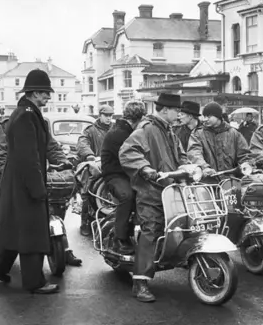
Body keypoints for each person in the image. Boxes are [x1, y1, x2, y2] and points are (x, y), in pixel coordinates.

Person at [0, 69, 59, 294]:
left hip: (16, 182)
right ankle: (35, 282)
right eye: (45, 93)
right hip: (26, 183)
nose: (48, 98)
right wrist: (38, 188)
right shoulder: (27, 115)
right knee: (32, 232)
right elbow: (29, 157)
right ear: (35, 93)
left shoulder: (23, 112)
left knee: (14, 229)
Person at [119, 93, 188, 302]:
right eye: (177, 111)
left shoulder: (169, 131)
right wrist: (145, 169)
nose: (179, 115)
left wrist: (189, 166)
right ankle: (140, 282)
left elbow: (181, 154)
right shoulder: (146, 129)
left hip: (171, 189)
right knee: (151, 230)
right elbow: (127, 151)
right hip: (151, 191)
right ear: (165, 110)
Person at [0, 117, 83, 267]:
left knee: (57, 204)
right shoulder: (7, 126)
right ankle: (0, 261)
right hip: (14, 181)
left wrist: (62, 161)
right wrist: (14, 174)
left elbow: (51, 147)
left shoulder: (40, 123)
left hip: (38, 175)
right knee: (14, 222)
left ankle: (62, 247)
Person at [100, 100, 147, 255]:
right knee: (127, 196)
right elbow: (129, 159)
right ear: (138, 118)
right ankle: (119, 239)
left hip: (128, 173)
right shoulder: (118, 134)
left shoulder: (127, 131)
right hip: (115, 175)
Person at [187, 102, 253, 181]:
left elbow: (244, 154)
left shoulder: (234, 133)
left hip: (232, 181)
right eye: (204, 116)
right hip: (207, 182)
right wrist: (204, 167)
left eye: (209, 116)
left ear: (218, 116)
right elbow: (194, 153)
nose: (205, 119)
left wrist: (246, 165)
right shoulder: (198, 134)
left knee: (237, 193)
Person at [77, 104, 113, 236]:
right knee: (87, 192)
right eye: (106, 115)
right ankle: (84, 223)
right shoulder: (90, 130)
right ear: (100, 115)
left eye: (110, 116)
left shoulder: (115, 129)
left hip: (111, 165)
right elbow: (82, 143)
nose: (109, 118)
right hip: (95, 166)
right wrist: (89, 155)